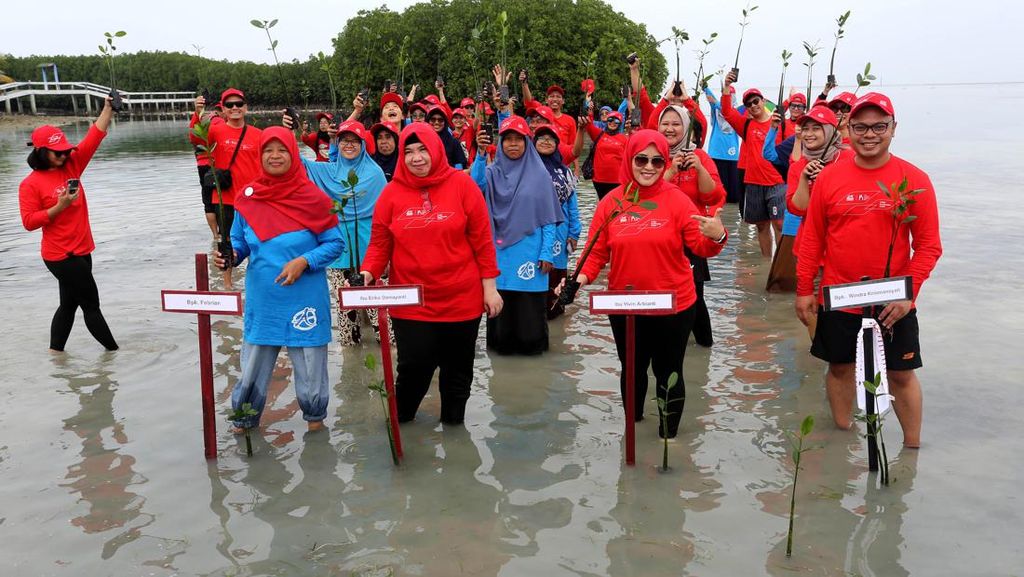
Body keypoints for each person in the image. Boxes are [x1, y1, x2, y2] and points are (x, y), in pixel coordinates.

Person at [795, 93, 942, 448]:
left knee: (901, 374)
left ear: (893, 128)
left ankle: (911, 451)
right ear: (848, 129)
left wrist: (908, 296)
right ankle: (843, 441)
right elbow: (813, 238)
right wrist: (803, 290)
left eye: (879, 126)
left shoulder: (914, 179)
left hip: (894, 299)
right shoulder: (829, 178)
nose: (870, 135)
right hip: (839, 294)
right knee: (840, 367)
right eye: (861, 127)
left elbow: (928, 246)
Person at [561, 130, 727, 438]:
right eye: (641, 159)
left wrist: (717, 235)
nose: (648, 167)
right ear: (629, 160)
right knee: (632, 369)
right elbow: (595, 254)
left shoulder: (678, 201)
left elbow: (701, 247)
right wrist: (576, 281)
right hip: (625, 305)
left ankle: (668, 440)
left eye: (657, 161)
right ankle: (633, 432)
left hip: (674, 305)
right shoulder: (611, 202)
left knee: (669, 372)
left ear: (665, 164)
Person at [358, 123, 502, 424]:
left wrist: (490, 288)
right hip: (411, 301)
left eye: (423, 149)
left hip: (461, 299)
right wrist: (367, 273)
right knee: (413, 368)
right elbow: (380, 245)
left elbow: (483, 242)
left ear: (436, 150)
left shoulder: (463, 186)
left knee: (457, 374)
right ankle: (401, 426)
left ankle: (454, 433)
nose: (416, 158)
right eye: (409, 151)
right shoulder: (391, 193)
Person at [215, 126, 345, 433]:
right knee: (252, 368)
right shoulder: (248, 197)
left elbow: (335, 243)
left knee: (311, 371)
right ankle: (244, 424)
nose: (275, 156)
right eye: (268, 151)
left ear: (293, 154)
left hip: (305, 299)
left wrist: (304, 261)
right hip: (264, 300)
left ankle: (316, 430)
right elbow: (240, 242)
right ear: (260, 156)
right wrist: (231, 256)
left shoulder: (315, 198)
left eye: (282, 150)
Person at [19, 97, 119, 353]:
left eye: (65, 150)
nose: (64, 155)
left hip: (83, 250)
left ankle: (55, 354)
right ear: (41, 152)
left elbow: (94, 137)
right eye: (58, 152)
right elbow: (29, 222)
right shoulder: (30, 184)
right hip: (61, 256)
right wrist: (59, 207)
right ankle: (115, 356)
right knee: (91, 305)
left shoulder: (72, 164)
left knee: (68, 304)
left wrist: (108, 109)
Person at [290, 119, 389, 346]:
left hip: (371, 251)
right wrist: (289, 131)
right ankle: (350, 357)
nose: (349, 145)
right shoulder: (329, 171)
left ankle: (387, 355)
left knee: (379, 311)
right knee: (346, 308)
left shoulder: (375, 174)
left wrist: (388, 254)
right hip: (339, 251)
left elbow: (386, 217)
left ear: (363, 145)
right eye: (344, 140)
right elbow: (297, 163)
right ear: (337, 143)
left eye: (355, 141)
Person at [472, 116, 562, 355]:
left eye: (518, 139)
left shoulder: (540, 175)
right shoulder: (492, 172)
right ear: (500, 143)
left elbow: (549, 218)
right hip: (500, 255)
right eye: (508, 139)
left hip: (531, 255)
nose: (513, 144)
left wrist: (547, 253)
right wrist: (480, 154)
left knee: (531, 325)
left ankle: (534, 369)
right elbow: (475, 186)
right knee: (500, 323)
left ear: (527, 143)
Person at [658, 105, 727, 347]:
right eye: (665, 123)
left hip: (692, 237)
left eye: (676, 124)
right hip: (658, 237)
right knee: (661, 294)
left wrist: (698, 167)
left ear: (686, 128)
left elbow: (713, 196)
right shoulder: (652, 154)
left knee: (695, 296)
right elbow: (643, 196)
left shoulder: (700, 156)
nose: (670, 129)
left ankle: (704, 347)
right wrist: (670, 170)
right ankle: (669, 342)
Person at [189, 88, 263, 289]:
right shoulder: (215, 130)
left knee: (256, 240)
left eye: (239, 104)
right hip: (226, 198)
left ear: (246, 108)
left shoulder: (258, 134)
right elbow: (196, 138)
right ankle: (228, 285)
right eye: (230, 105)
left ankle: (256, 281)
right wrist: (197, 112)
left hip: (254, 199)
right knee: (227, 241)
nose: (235, 108)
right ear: (223, 109)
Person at [722, 71, 787, 257]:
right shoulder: (746, 125)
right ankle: (766, 263)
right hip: (753, 183)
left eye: (756, 101)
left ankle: (780, 263)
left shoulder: (779, 123)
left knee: (779, 224)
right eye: (748, 104)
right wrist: (726, 86)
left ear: (763, 101)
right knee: (761, 226)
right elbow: (727, 112)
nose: (753, 105)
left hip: (776, 182)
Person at [532, 124, 581, 319]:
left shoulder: (565, 172)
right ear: (533, 142)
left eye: (551, 139)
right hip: (533, 229)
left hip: (560, 231)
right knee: (534, 270)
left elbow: (573, 205)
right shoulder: (526, 169)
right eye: (541, 138)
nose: (546, 141)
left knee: (556, 275)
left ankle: (555, 316)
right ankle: (534, 316)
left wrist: (574, 233)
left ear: (556, 144)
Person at [703, 84, 742, 205]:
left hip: (732, 155)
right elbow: (713, 101)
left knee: (734, 196)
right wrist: (705, 87)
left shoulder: (737, 112)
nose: (728, 98)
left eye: (730, 95)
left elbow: (726, 110)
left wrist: (716, 102)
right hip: (716, 154)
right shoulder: (716, 110)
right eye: (725, 95)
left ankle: (733, 216)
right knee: (719, 195)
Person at [582, 109, 628, 199]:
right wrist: (590, 111)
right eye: (610, 120)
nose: (612, 123)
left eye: (616, 121)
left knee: (616, 204)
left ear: (620, 123)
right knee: (602, 202)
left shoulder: (625, 139)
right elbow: (589, 125)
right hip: (599, 179)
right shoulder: (599, 134)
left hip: (618, 180)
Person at [195, 107, 225, 239]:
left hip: (201, 164)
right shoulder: (220, 122)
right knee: (220, 200)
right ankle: (224, 233)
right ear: (220, 111)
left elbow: (194, 139)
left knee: (208, 203)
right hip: (214, 164)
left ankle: (215, 236)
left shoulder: (199, 121)